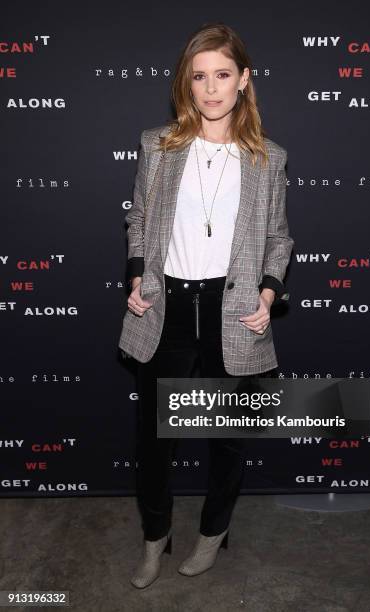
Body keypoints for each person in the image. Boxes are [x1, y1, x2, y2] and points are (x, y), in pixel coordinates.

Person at [118, 22, 294, 589]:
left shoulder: (268, 157)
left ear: (243, 80)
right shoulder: (159, 145)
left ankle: (213, 535)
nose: (210, 88)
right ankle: (154, 540)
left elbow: (278, 238)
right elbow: (140, 219)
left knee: (228, 438)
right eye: (199, 76)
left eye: (222, 75)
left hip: (234, 308)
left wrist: (269, 293)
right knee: (155, 440)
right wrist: (137, 275)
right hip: (166, 307)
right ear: (186, 83)